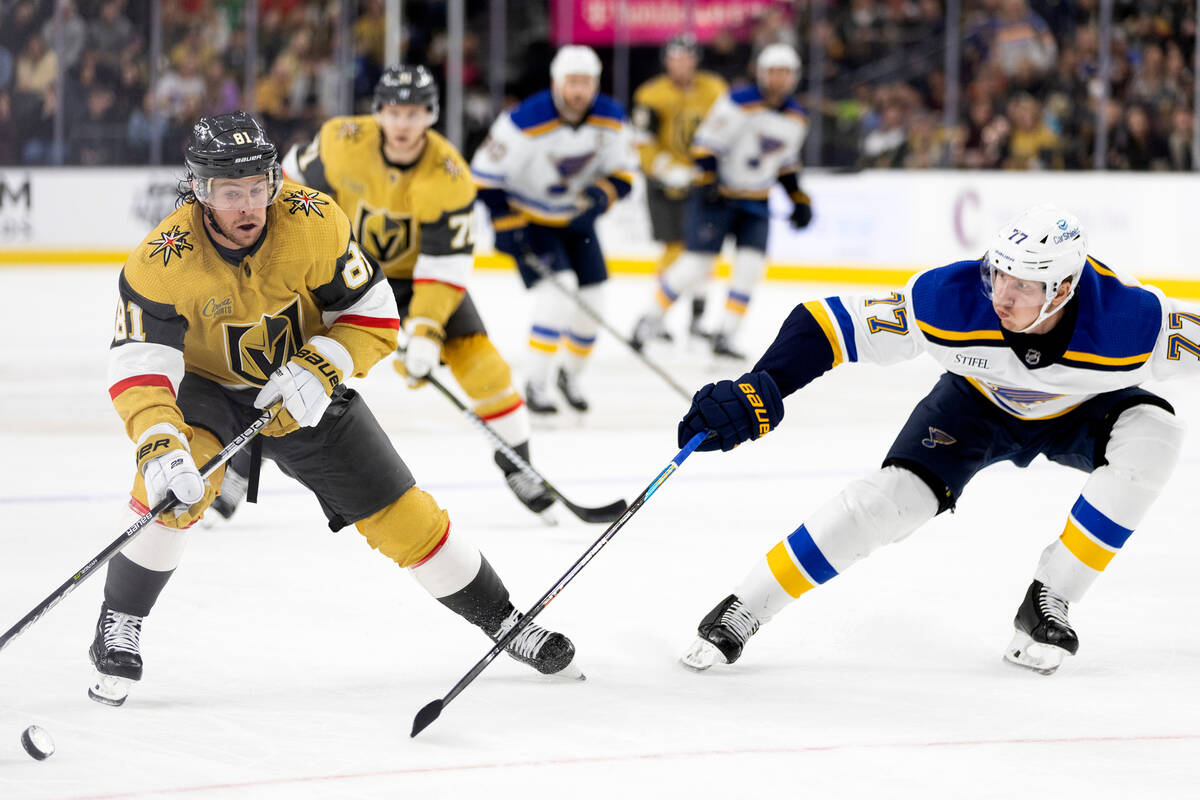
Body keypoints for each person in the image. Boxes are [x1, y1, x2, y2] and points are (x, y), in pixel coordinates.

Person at [92, 111, 580, 707]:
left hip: (304, 385)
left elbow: (373, 313)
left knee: (403, 513)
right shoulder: (162, 259)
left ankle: (504, 620)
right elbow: (140, 369)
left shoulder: (313, 220)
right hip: (205, 391)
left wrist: (326, 364)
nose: (249, 206)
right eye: (230, 192)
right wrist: (159, 442)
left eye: (258, 187)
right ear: (198, 189)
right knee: (173, 488)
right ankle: (118, 625)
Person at [675, 203, 1190, 676]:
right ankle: (746, 605)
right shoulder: (953, 298)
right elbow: (827, 324)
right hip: (975, 408)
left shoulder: (1134, 322)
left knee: (1157, 435)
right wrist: (759, 387)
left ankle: (1050, 599)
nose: (1002, 297)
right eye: (999, 273)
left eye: (1023, 285)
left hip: (1082, 409)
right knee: (883, 505)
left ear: (1061, 289)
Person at [275, 64, 556, 521]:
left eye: (415, 112)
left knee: (483, 366)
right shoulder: (340, 142)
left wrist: (424, 331)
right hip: (340, 271)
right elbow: (287, 194)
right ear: (378, 112)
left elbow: (444, 265)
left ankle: (517, 463)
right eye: (393, 111)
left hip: (415, 279)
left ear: (432, 115)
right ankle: (237, 472)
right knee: (282, 358)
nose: (403, 123)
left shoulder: (449, 175)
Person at [471, 45, 638, 415]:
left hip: (577, 221)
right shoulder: (524, 120)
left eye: (586, 83)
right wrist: (503, 221)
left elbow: (625, 174)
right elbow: (483, 176)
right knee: (557, 298)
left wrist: (599, 196)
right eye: (572, 82)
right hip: (530, 222)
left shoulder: (611, 118)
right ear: (556, 82)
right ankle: (537, 381)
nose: (579, 91)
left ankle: (570, 377)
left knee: (593, 303)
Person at [631, 43, 812, 360]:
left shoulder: (797, 117)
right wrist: (710, 180)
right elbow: (706, 144)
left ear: (794, 77)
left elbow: (785, 163)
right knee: (695, 264)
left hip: (756, 200)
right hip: (718, 195)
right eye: (773, 72)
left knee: (750, 268)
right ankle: (649, 320)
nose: (779, 79)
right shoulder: (738, 102)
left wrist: (798, 198)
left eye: (785, 73)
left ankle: (726, 334)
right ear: (761, 73)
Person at [630, 34, 727, 340]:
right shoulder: (652, 94)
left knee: (704, 250)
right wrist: (664, 168)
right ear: (667, 61)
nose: (682, 64)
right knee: (674, 249)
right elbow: (642, 142)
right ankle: (656, 318)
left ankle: (697, 318)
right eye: (676, 58)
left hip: (704, 182)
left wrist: (711, 168)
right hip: (665, 183)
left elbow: (729, 130)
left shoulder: (714, 90)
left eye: (687, 58)